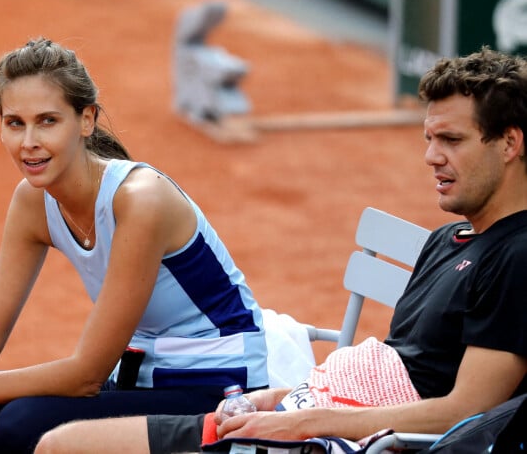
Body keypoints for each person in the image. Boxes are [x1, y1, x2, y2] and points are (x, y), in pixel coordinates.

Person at [33, 46, 527, 454]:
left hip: (328, 440)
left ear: (509, 144)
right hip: (308, 414)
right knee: (59, 443)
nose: (431, 156)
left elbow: (467, 410)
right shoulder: (448, 240)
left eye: (452, 140)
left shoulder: (517, 256)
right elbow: (403, 365)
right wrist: (282, 398)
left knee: (63, 446)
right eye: (429, 138)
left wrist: (305, 422)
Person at [0, 37, 268, 454]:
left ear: (86, 120)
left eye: (47, 121)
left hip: (220, 393)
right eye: (14, 123)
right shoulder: (31, 202)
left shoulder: (141, 200)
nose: (29, 141)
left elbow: (85, 375)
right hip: (140, 380)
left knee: (19, 426)